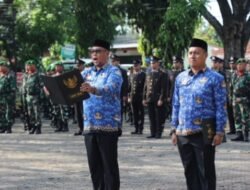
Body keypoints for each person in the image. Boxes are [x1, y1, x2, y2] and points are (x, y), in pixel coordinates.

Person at [171, 38, 227, 190]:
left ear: (205, 55)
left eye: (197, 53)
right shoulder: (180, 78)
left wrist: (220, 131)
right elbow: (176, 104)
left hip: (204, 132)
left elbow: (221, 106)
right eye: (190, 53)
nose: (193, 56)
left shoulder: (215, 78)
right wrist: (173, 129)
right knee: (189, 172)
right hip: (183, 132)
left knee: (206, 172)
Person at [80, 39, 122, 190]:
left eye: (98, 51)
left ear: (107, 53)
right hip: (89, 125)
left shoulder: (114, 71)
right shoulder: (86, 72)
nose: (94, 54)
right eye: (92, 51)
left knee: (109, 167)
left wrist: (93, 89)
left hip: (108, 126)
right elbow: (70, 86)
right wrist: (54, 89)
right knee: (94, 168)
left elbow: (111, 88)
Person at [143, 56, 168, 139]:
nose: (152, 64)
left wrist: (161, 99)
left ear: (158, 63)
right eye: (151, 63)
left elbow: (164, 88)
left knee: (158, 117)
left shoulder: (162, 74)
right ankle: (152, 132)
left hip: (158, 99)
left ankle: (158, 132)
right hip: (150, 98)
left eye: (153, 63)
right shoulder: (149, 73)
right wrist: (144, 98)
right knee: (151, 117)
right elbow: (146, 87)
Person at [230, 58, 250, 142]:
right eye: (238, 64)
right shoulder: (234, 75)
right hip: (235, 100)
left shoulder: (248, 76)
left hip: (244, 100)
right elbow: (231, 88)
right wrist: (231, 99)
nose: (240, 66)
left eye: (242, 64)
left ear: (245, 65)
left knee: (245, 118)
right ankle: (239, 134)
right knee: (237, 117)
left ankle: (246, 135)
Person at [22, 60, 43, 134]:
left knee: (37, 112)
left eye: (31, 65)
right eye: (28, 65)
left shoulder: (38, 75)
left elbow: (42, 86)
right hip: (28, 96)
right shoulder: (26, 75)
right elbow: (24, 87)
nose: (30, 66)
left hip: (36, 96)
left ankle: (38, 127)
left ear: (34, 66)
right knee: (30, 113)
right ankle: (33, 126)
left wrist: (42, 96)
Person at [128, 59, 146, 134]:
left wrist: (144, 98)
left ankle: (140, 128)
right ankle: (136, 128)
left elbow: (145, 87)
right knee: (134, 113)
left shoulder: (143, 75)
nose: (135, 67)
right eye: (134, 66)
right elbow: (129, 87)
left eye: (136, 65)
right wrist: (128, 96)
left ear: (139, 65)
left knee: (140, 113)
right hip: (133, 97)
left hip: (140, 97)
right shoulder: (131, 75)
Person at [111, 54, 128, 126]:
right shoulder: (108, 70)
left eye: (115, 61)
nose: (113, 63)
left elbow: (125, 84)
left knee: (119, 110)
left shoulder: (123, 71)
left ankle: (119, 125)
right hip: (110, 94)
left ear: (118, 62)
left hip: (119, 94)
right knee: (110, 110)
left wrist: (124, 94)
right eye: (112, 61)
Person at [0, 58, 16, 133]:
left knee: (8, 112)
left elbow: (13, 88)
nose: (1, 67)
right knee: (1, 113)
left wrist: (11, 98)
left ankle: (8, 127)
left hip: (7, 97)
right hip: (1, 97)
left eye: (2, 66)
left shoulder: (10, 76)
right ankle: (2, 126)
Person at [73, 58, 85, 136]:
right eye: (77, 65)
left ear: (82, 66)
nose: (78, 67)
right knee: (77, 113)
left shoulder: (86, 73)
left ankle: (86, 128)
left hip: (84, 96)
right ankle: (80, 128)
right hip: (76, 95)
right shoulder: (74, 74)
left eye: (79, 65)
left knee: (84, 112)